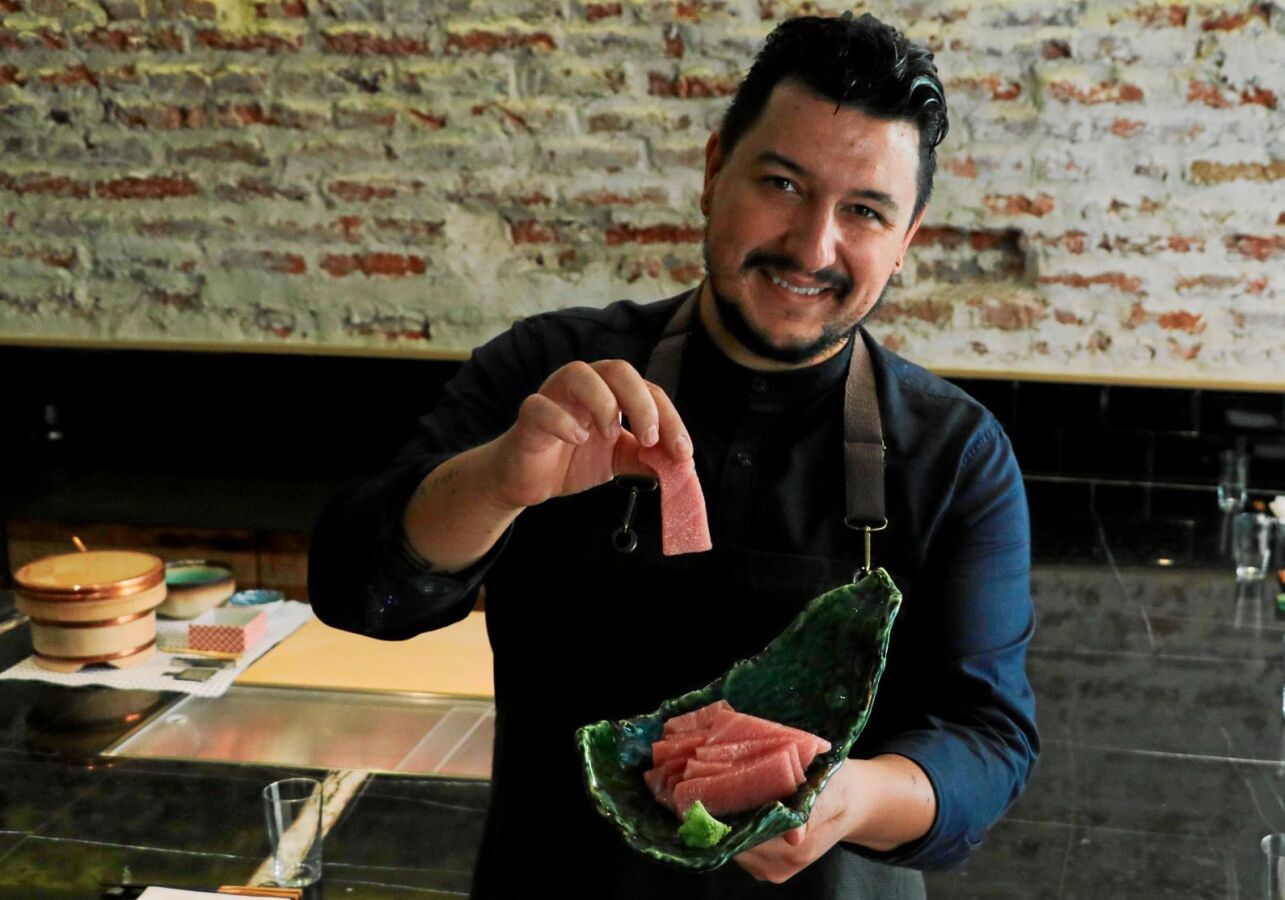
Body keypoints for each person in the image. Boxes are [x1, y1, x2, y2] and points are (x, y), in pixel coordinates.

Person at [309, 13, 1037, 898]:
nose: (813, 246)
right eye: (782, 183)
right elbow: (359, 593)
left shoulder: (955, 453)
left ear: (907, 239)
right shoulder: (547, 374)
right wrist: (498, 482)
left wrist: (854, 797)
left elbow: (987, 740)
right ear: (713, 171)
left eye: (864, 211)